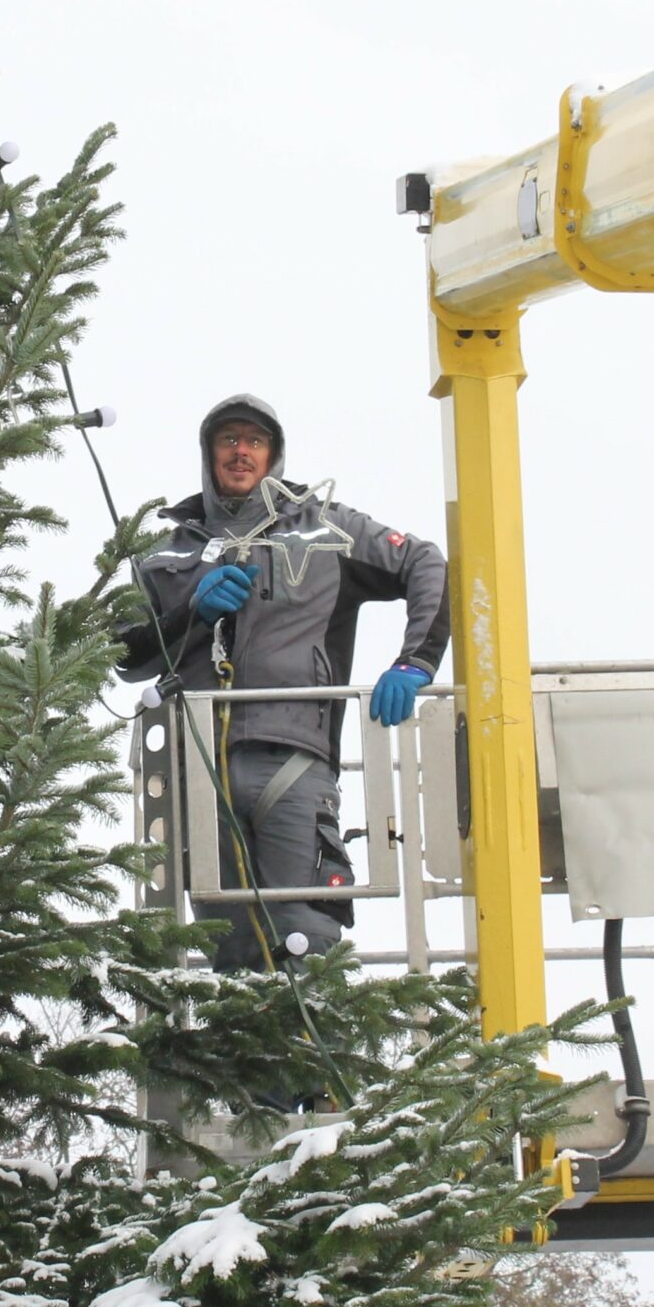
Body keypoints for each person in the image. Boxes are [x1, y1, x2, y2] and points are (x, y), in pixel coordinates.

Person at [118, 394, 450, 972]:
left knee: (303, 931)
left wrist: (414, 662)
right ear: (209, 453)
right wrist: (192, 610)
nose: (240, 452)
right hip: (197, 763)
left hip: (293, 756)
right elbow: (126, 655)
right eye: (228, 440)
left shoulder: (324, 529)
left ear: (273, 454)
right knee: (227, 941)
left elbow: (424, 562)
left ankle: (311, 1047)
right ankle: (233, 1058)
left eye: (253, 441)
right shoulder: (168, 549)